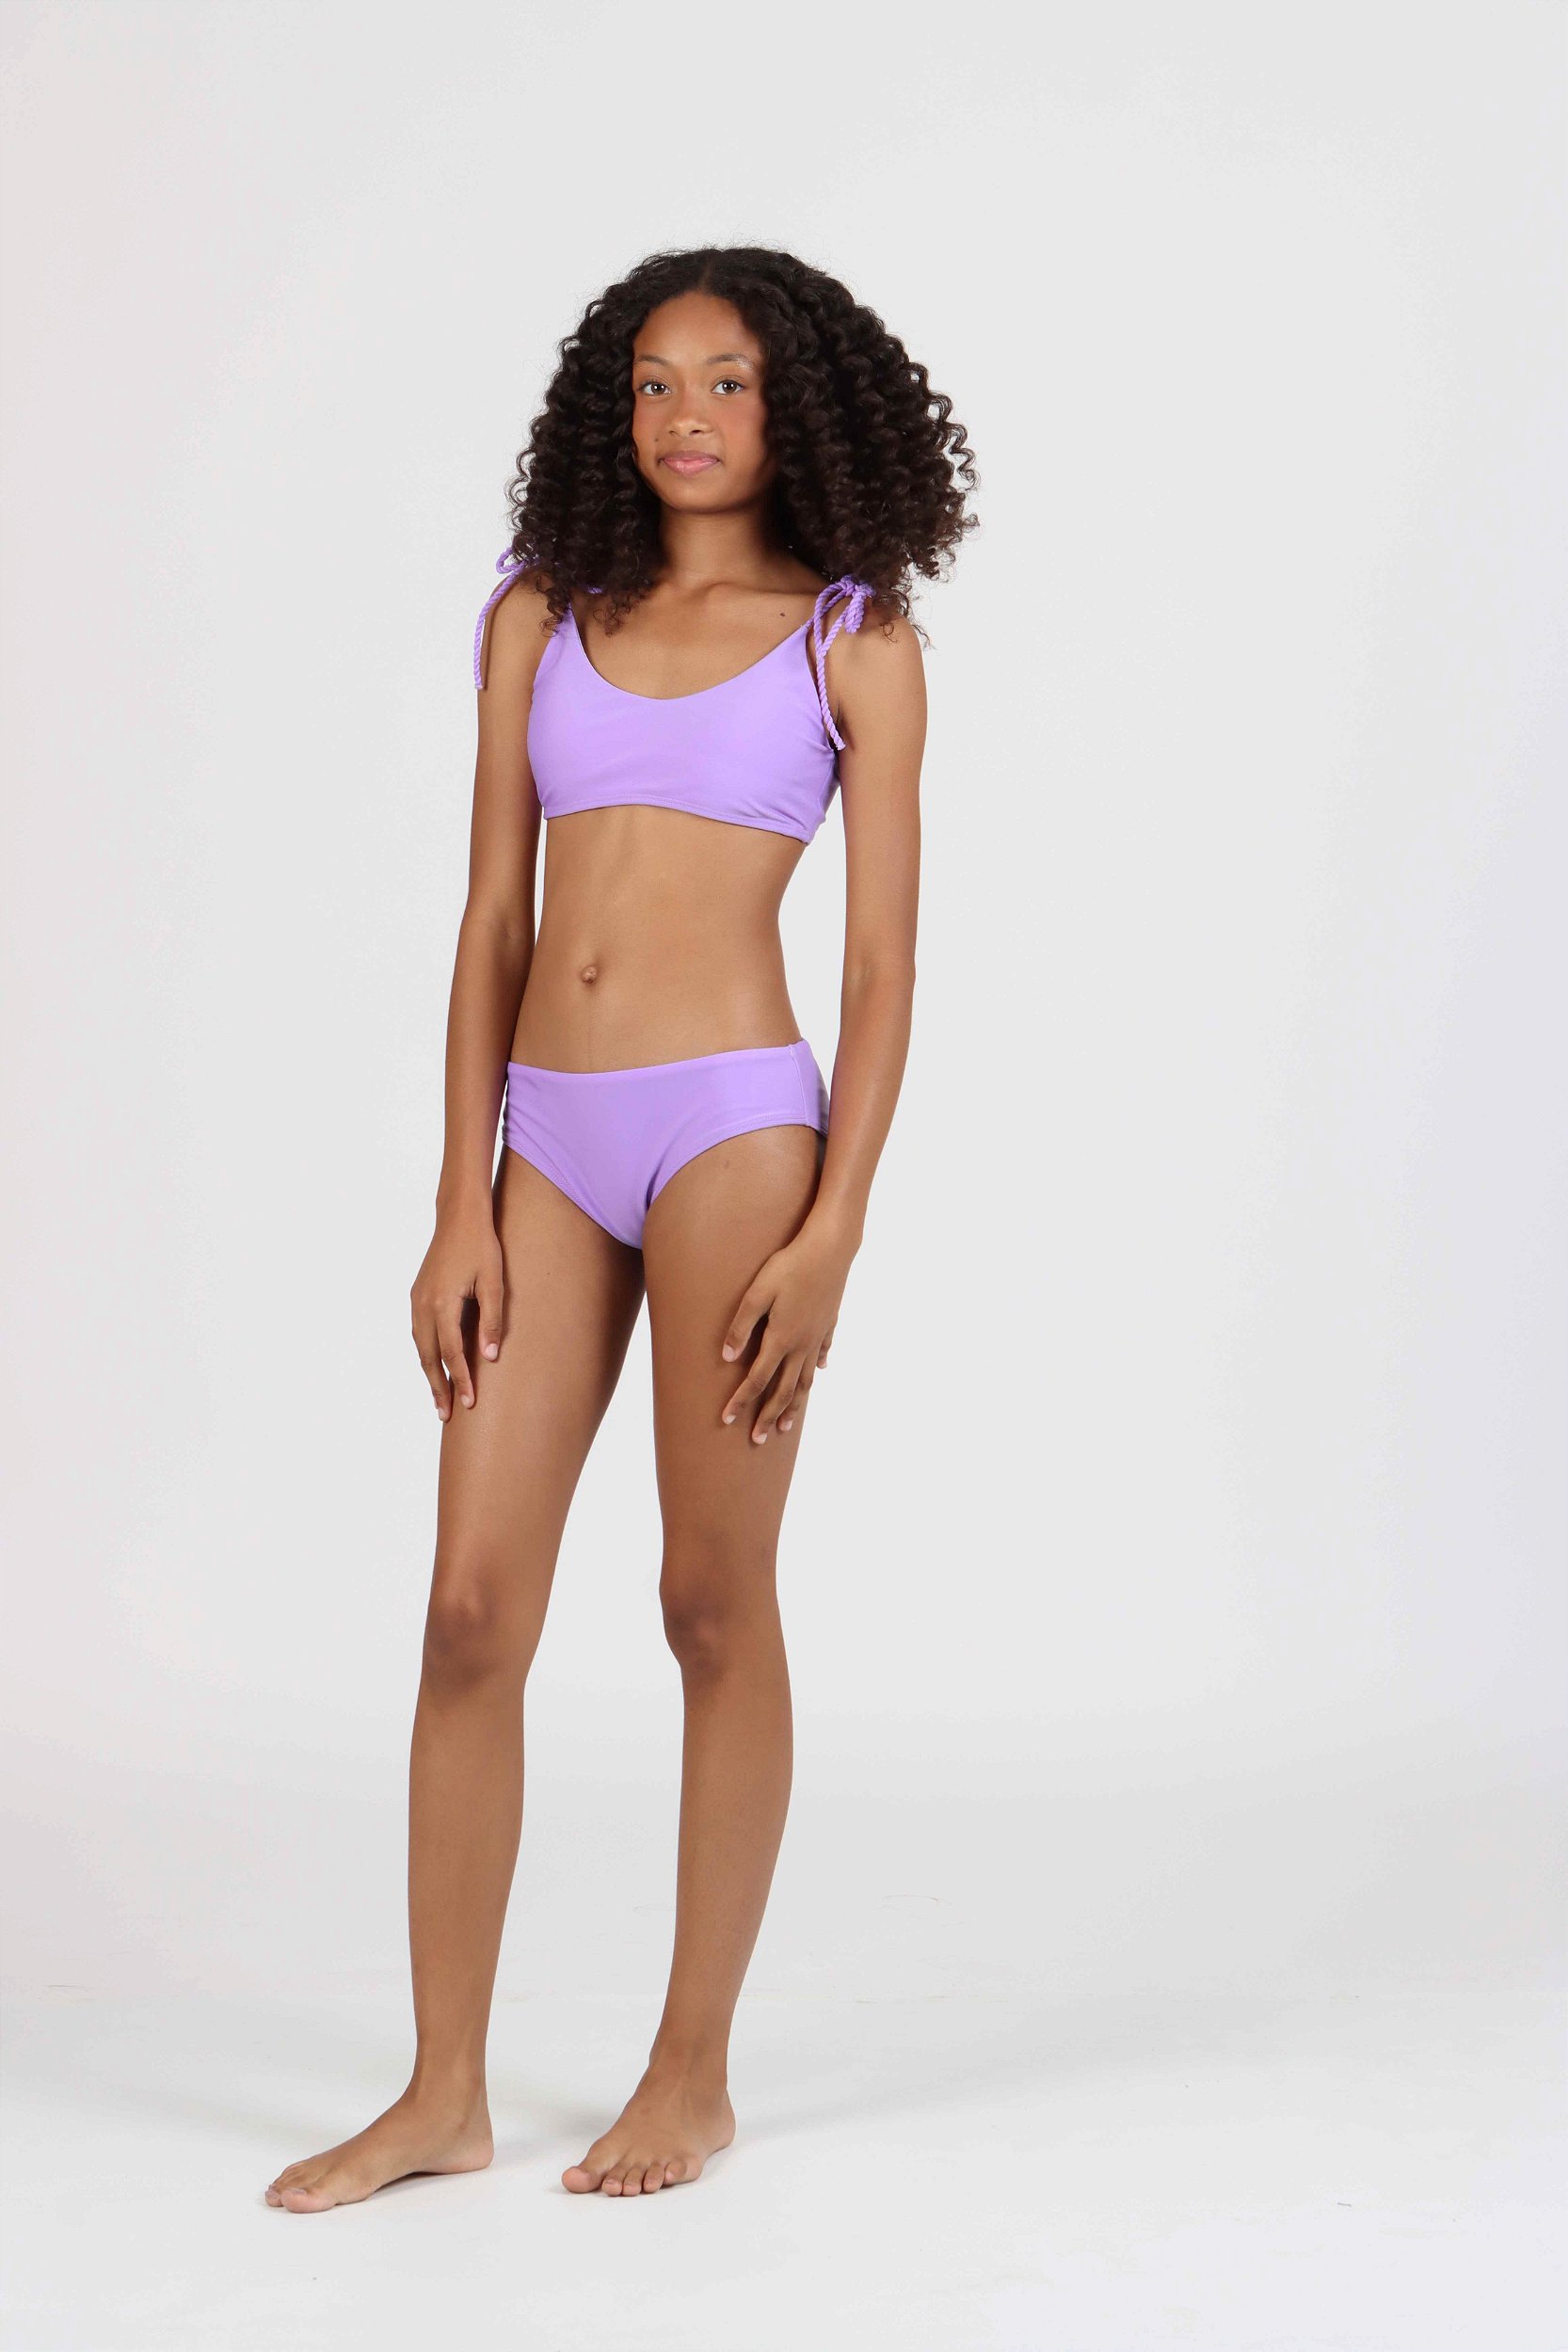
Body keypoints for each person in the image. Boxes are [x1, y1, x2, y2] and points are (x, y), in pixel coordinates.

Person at [265, 244, 977, 2211]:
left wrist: (835, 1229)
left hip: (735, 1132)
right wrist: (458, 1198)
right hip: (547, 1146)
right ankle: (442, 2090)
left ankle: (692, 2069)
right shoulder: (537, 615)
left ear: (795, 408)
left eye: (726, 381)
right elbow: (489, 921)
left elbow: (884, 968)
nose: (685, 415)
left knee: (705, 1602)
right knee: (467, 1609)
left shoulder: (850, 640)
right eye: (654, 381)